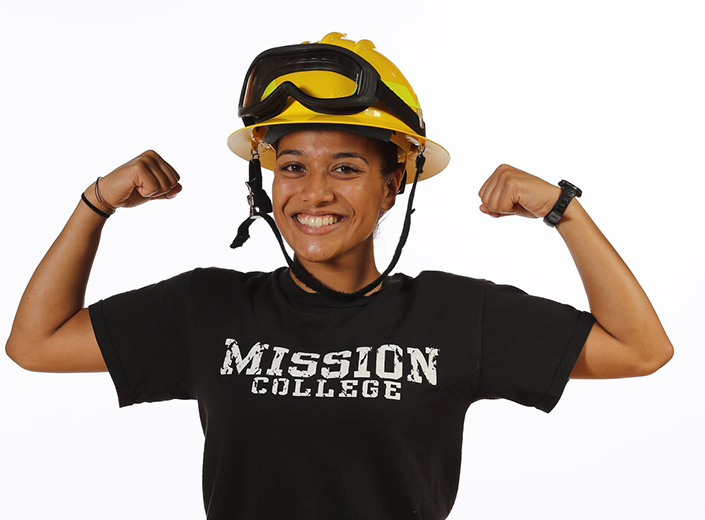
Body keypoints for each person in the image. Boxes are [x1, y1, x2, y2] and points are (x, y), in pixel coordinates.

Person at [5, 32, 672, 519]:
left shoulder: (454, 315)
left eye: (346, 168)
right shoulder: (207, 308)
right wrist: (93, 206)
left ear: (392, 187)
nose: (313, 192)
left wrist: (563, 210)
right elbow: (35, 345)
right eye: (292, 166)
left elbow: (640, 350)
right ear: (267, 182)